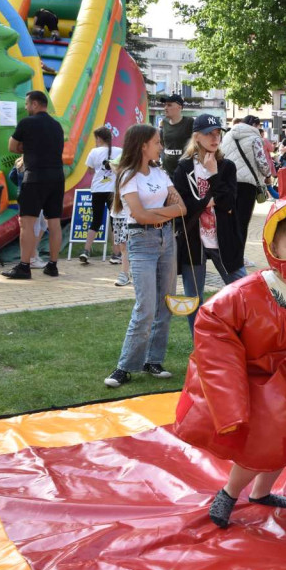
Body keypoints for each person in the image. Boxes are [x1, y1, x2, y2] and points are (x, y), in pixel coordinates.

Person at [173, 167, 286, 527]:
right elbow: (213, 329)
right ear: (272, 245)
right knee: (262, 445)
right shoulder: (243, 295)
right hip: (260, 386)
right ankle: (229, 492)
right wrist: (230, 399)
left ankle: (260, 492)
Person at [104, 125, 186, 388]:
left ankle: (153, 360)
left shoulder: (161, 173)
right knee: (146, 307)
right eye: (156, 142)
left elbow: (182, 206)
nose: (160, 146)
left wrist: (161, 214)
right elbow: (139, 215)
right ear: (142, 145)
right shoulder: (128, 176)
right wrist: (166, 212)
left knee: (165, 304)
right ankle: (124, 366)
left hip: (166, 240)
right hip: (141, 240)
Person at [171, 113, 248, 341]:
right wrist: (210, 200)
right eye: (208, 134)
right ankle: (201, 347)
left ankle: (247, 341)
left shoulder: (226, 167)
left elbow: (228, 202)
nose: (215, 138)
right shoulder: (184, 169)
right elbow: (183, 206)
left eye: (217, 133)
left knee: (242, 292)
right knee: (194, 297)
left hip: (224, 240)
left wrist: (214, 175)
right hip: (193, 241)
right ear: (196, 137)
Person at [3, 90, 65, 279]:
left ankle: (24, 266)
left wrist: (27, 147)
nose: (26, 108)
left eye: (28, 104)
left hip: (35, 177)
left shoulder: (27, 123)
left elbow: (12, 147)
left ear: (36, 104)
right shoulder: (57, 126)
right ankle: (52, 265)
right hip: (57, 177)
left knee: (26, 223)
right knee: (54, 223)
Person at [221, 114, 270, 239]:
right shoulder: (255, 138)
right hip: (248, 184)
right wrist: (268, 175)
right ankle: (238, 255)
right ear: (254, 125)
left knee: (228, 221)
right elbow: (262, 162)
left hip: (228, 182)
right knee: (242, 222)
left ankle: (227, 255)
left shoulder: (228, 136)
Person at [79, 126, 123, 264]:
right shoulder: (119, 151)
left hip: (97, 190)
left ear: (98, 138)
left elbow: (90, 170)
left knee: (96, 220)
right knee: (115, 222)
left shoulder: (94, 152)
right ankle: (116, 254)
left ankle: (86, 250)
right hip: (113, 191)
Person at [159, 94, 194, 177]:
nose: (165, 108)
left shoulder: (189, 122)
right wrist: (162, 160)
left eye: (169, 105)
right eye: (165, 105)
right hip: (167, 172)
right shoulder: (164, 122)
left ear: (180, 107)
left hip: (184, 172)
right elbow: (161, 145)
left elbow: (196, 145)